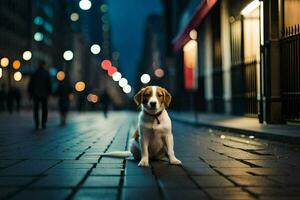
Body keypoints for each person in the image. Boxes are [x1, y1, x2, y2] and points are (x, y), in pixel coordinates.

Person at [27, 61, 52, 129]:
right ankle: (43, 123)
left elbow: (30, 85)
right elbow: (49, 85)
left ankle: (37, 123)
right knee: (44, 109)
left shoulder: (34, 73)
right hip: (44, 94)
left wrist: (30, 93)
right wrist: (49, 93)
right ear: (44, 65)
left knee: (36, 109)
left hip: (36, 94)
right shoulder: (46, 73)